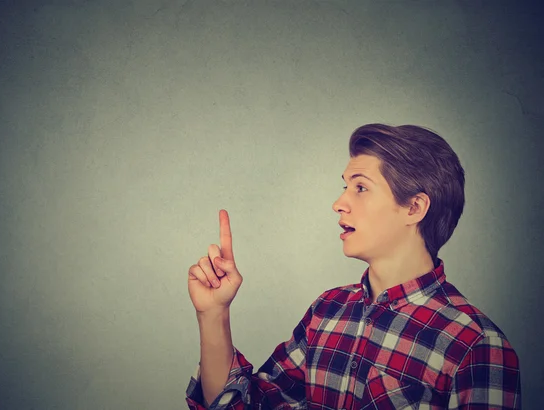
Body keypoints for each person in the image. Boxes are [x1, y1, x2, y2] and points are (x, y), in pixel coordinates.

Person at [185, 123, 522, 409]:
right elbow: (247, 404)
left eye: (360, 187)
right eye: (344, 186)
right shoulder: (326, 311)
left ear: (414, 208)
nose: (339, 203)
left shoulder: (475, 346)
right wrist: (213, 314)